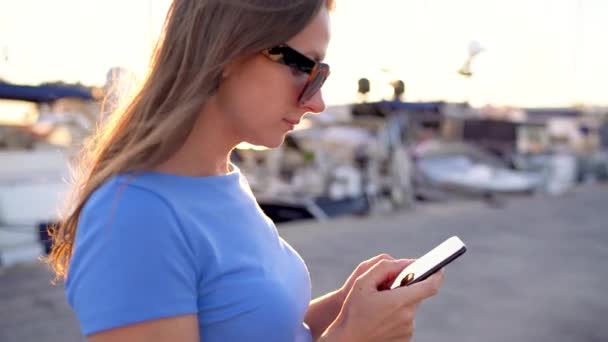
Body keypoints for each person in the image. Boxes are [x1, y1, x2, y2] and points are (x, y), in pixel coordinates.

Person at [46, 0, 444, 341]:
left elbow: (260, 328)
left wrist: (347, 306)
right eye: (305, 69)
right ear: (227, 50)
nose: (317, 101)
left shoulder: (222, 181)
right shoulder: (135, 216)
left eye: (322, 76)